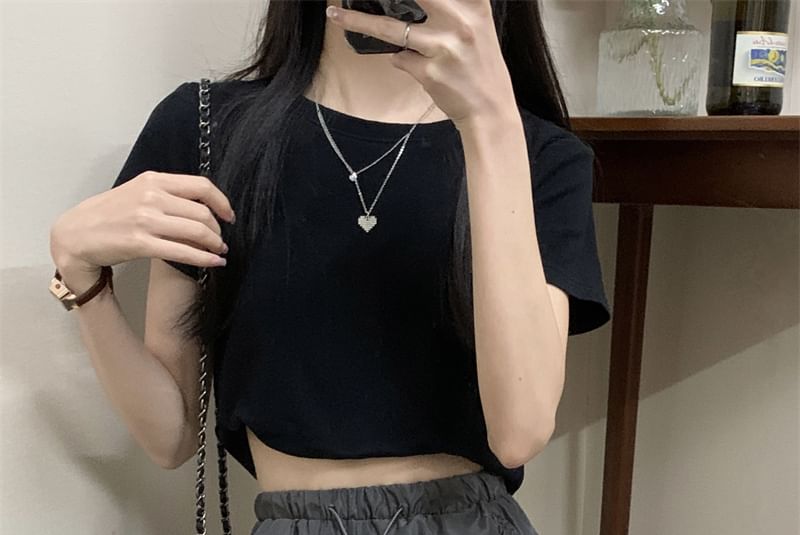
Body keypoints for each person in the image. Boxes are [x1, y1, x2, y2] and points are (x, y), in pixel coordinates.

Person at [48, 1, 611, 534]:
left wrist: (491, 123)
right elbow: (171, 437)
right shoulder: (205, 129)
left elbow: (519, 432)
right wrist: (81, 276)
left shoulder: (538, 155)